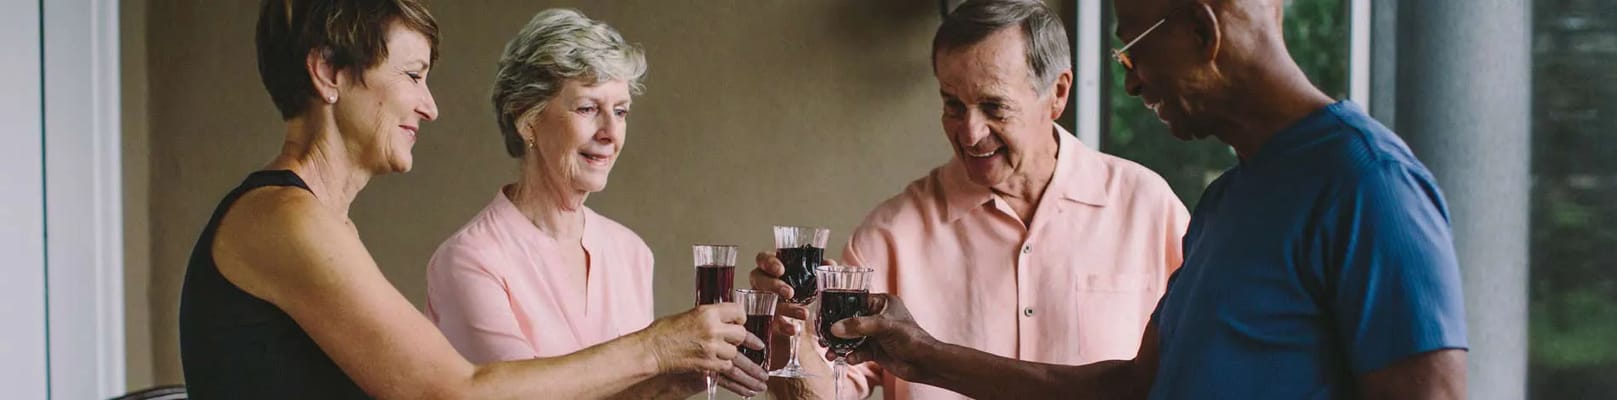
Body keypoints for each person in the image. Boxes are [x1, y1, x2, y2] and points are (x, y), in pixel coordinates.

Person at [826, 0, 1469, 398]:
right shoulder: (1225, 202)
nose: (1129, 81)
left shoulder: (1368, 183)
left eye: (1132, 47)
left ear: (1201, 28)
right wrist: (921, 354)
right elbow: (1133, 389)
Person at [178, 1, 759, 398]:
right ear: (328, 72)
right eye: (412, 75)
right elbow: (455, 391)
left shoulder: (316, 224)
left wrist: (668, 376)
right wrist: (657, 349)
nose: (430, 106)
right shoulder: (283, 220)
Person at [750, 1, 1189, 398]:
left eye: (994, 107)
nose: (970, 133)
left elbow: (1195, 370)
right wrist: (791, 332)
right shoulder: (889, 236)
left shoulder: (1148, 208)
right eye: (953, 105)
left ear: (1057, 94)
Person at [424, 8, 766, 399]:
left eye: (620, 112)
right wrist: (658, 349)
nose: (609, 132)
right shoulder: (470, 260)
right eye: (588, 108)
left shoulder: (631, 251)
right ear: (526, 119)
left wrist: (675, 380)